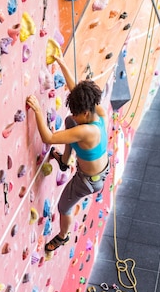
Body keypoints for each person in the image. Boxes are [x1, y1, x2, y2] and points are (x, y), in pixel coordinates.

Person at [25, 55, 110, 252]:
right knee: (70, 123)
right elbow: (76, 90)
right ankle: (64, 161)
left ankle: (63, 236)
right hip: (98, 169)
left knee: (64, 208)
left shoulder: (86, 131)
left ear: (86, 114)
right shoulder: (97, 112)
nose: (73, 113)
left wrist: (37, 110)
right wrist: (62, 63)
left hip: (87, 181)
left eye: (76, 111)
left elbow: (49, 138)